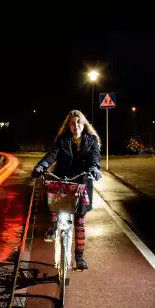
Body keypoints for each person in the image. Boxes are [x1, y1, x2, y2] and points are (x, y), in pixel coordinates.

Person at [31, 110, 102, 270]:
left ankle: (79, 257)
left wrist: (95, 168)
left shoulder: (92, 141)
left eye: (78, 122)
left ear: (83, 124)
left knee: (79, 220)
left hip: (82, 182)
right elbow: (51, 155)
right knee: (50, 195)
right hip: (62, 179)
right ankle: (54, 225)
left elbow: (95, 157)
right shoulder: (62, 140)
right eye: (72, 123)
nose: (76, 126)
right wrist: (41, 165)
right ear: (68, 125)